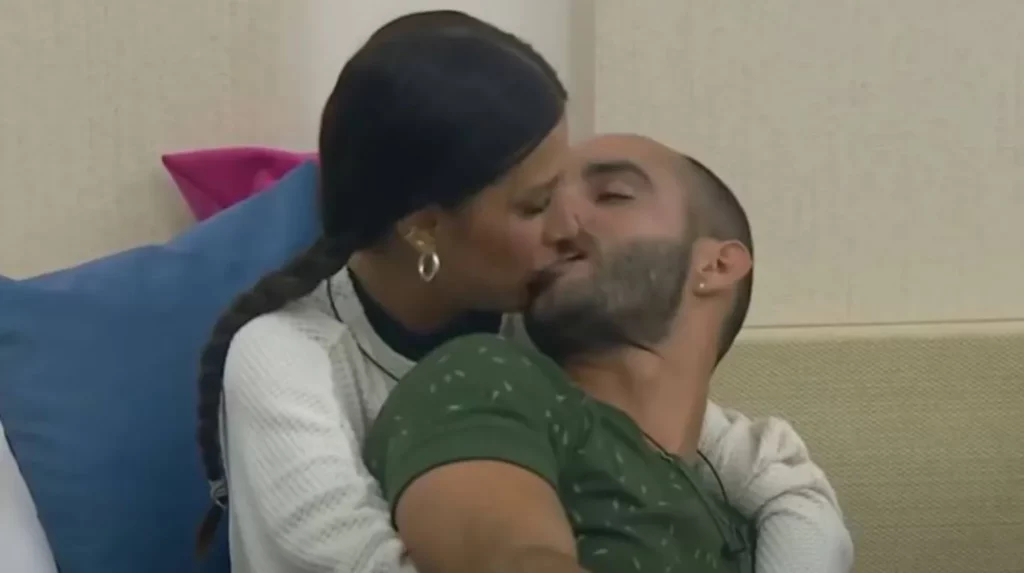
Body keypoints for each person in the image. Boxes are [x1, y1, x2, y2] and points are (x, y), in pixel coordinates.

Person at [193, 10, 852, 573]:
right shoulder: (290, 359)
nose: (568, 227)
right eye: (537, 205)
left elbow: (771, 475)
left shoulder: (533, 327)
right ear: (425, 228)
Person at [363, 135, 839, 573]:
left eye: (611, 195)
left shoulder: (746, 520)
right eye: (539, 206)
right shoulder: (487, 375)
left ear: (716, 265)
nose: (555, 225)